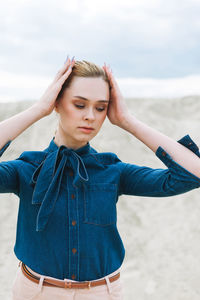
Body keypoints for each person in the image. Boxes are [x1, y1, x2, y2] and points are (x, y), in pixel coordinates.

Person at [0, 56, 200, 300]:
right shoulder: (27, 168)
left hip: (101, 293)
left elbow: (192, 173)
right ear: (57, 103)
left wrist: (128, 121)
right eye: (80, 104)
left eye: (100, 107)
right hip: (35, 293)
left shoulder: (113, 170)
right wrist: (38, 109)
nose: (91, 116)